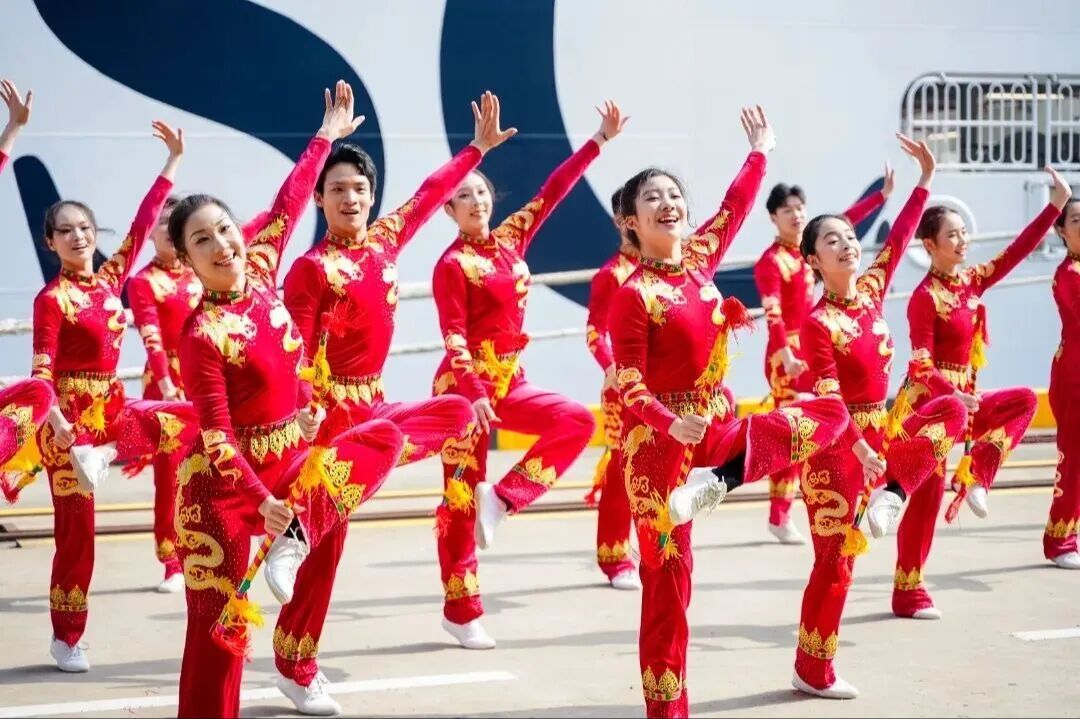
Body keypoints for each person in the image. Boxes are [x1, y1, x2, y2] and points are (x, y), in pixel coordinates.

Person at [169, 81, 406, 719]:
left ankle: (295, 569)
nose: (223, 246)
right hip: (223, 491)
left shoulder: (264, 266)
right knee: (220, 640)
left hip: (288, 460)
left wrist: (325, 137)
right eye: (202, 241)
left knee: (382, 437)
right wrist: (264, 504)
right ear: (187, 261)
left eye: (225, 230)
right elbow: (217, 438)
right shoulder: (202, 335)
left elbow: (292, 197)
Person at [276, 90, 514, 712]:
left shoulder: (385, 241)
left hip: (374, 409)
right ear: (320, 200)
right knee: (326, 554)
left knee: (458, 411)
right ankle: (296, 664)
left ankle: (302, 528)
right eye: (337, 189)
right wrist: (302, 406)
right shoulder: (311, 269)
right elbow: (296, 349)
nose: (349, 198)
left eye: (359, 188)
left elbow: (431, 194)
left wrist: (475, 151)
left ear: (372, 196)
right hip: (328, 419)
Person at [610, 107, 848, 718]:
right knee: (670, 584)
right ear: (631, 222)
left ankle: (716, 482)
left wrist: (761, 150)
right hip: (658, 452)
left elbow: (736, 206)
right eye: (652, 199)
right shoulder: (632, 295)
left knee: (829, 413)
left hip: (715, 433)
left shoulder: (699, 260)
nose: (668, 204)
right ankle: (667, 708)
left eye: (674, 195)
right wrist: (668, 422)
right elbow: (627, 383)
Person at [430, 100, 627, 650]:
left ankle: (505, 497)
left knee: (574, 421)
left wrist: (598, 141)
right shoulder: (451, 265)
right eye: (463, 195)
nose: (476, 200)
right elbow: (453, 337)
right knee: (458, 502)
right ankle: (462, 611)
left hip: (510, 382)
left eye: (481, 192)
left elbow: (554, 190)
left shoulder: (512, 237)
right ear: (448, 210)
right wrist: (473, 393)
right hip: (462, 393)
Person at [790, 134, 967, 698]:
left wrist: (925, 182)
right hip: (835, 447)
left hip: (881, 434)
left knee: (950, 410)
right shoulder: (817, 324)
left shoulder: (871, 291)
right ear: (813, 260)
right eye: (832, 240)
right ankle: (811, 668)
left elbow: (897, 237)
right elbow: (827, 400)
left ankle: (894, 493)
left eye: (849, 237)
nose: (847, 245)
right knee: (835, 562)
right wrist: (861, 448)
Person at [31, 118, 193, 673]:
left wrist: (172, 162)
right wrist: (57, 422)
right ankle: (66, 635)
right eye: (66, 231)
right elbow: (41, 372)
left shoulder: (111, 278)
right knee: (78, 538)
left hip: (112, 412)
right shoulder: (52, 300)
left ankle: (107, 455)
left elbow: (146, 220)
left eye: (85, 228)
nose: (78, 236)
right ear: (51, 243)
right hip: (68, 429)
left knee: (183, 419)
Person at [892, 167, 1072, 616]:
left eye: (964, 233)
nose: (962, 241)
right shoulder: (924, 298)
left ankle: (976, 477)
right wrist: (951, 394)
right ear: (929, 245)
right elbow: (919, 364)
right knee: (926, 499)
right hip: (932, 407)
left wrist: (1055, 205)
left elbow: (1016, 252)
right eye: (952, 235)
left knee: (1022, 401)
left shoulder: (973, 280)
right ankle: (908, 589)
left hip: (967, 403)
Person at [753, 171, 893, 544]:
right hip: (787, 358)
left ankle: (846, 494)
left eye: (800, 208)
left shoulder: (813, 252)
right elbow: (772, 313)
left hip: (818, 348)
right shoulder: (771, 262)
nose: (796, 215)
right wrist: (785, 353)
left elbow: (848, 219)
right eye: (787, 210)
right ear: (773, 218)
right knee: (794, 435)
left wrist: (880, 197)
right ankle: (780, 515)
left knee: (825, 429)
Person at [126, 195, 202, 593]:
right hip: (166, 385)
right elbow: (150, 335)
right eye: (161, 222)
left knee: (215, 468)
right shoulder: (143, 282)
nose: (169, 229)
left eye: (176, 221)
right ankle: (172, 561)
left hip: (205, 376)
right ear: (151, 233)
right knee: (170, 476)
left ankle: (208, 549)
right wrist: (167, 384)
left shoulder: (199, 271)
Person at [584, 188, 641, 589]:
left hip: (664, 387)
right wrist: (613, 367)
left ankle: (652, 547)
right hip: (622, 389)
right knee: (622, 471)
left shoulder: (666, 268)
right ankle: (615, 557)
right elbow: (594, 333)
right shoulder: (611, 275)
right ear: (621, 222)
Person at [1045, 195, 1080, 569]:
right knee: (1074, 460)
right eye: (1077, 220)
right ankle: (1059, 540)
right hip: (1074, 375)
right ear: (1061, 231)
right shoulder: (1068, 274)